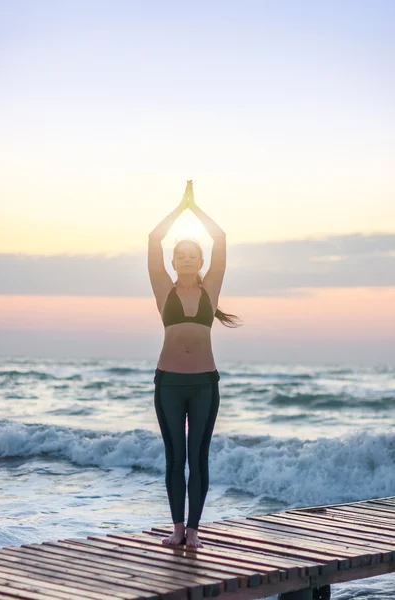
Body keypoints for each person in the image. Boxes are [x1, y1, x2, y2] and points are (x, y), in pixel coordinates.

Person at [148, 181, 242, 549]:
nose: (187, 259)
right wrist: (178, 209)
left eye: (193, 256)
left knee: (198, 458)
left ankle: (194, 531)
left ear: (200, 262)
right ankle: (175, 528)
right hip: (169, 382)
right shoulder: (163, 289)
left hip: (204, 383)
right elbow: (154, 239)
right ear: (173, 263)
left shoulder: (210, 290)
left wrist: (196, 208)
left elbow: (220, 238)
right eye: (181, 256)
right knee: (175, 457)